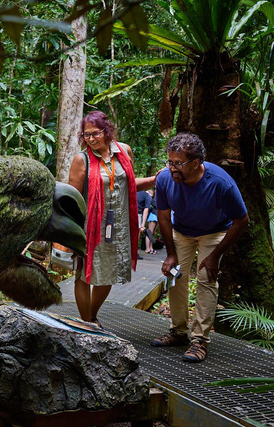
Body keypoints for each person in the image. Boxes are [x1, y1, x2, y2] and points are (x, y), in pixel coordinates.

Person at [151, 133, 249, 362]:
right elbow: (163, 218)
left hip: (214, 232)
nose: (172, 168)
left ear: (196, 163)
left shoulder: (220, 182)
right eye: (170, 162)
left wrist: (215, 256)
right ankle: (178, 331)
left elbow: (242, 221)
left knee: (206, 278)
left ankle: (200, 340)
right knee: (174, 277)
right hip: (182, 231)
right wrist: (171, 255)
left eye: (178, 163)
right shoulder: (165, 179)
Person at [68, 111, 157, 327]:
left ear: (106, 131)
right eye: (86, 135)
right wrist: (69, 233)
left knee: (108, 272)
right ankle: (88, 321)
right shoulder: (83, 159)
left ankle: (92, 316)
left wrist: (155, 179)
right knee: (83, 273)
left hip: (118, 225)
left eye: (95, 133)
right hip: (90, 226)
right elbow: (71, 198)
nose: (90, 139)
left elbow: (130, 185)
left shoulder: (124, 151)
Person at [144, 189, 159, 254]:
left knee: (153, 233)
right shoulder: (153, 199)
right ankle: (147, 248)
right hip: (153, 215)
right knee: (150, 232)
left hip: (157, 215)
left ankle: (151, 248)